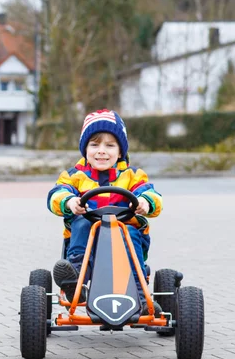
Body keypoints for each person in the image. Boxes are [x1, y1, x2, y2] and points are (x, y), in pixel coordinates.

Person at [47, 109, 163, 313]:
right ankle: (74, 280)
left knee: (132, 233)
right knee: (81, 223)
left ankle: (141, 297)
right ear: (85, 150)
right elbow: (56, 194)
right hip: (87, 236)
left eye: (109, 145)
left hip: (125, 231)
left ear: (120, 151)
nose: (101, 150)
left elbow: (151, 194)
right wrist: (70, 201)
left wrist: (145, 202)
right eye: (95, 144)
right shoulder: (74, 176)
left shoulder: (133, 175)